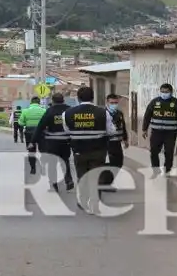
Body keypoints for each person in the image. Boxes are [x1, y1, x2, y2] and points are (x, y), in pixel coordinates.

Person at [62, 86, 116, 214]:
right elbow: (111, 131)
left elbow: (67, 131)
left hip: (79, 151)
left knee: (82, 176)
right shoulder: (103, 112)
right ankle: (94, 204)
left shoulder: (68, 113)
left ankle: (83, 201)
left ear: (78, 98)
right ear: (93, 97)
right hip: (98, 151)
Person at [33, 92, 74, 191]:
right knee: (65, 161)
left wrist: (33, 141)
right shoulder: (70, 110)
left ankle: (54, 184)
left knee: (52, 164)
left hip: (52, 142)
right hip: (66, 141)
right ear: (63, 100)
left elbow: (40, 127)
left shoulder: (49, 111)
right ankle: (68, 180)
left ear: (53, 101)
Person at [141, 83, 177, 176]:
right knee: (153, 151)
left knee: (169, 152)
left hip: (170, 133)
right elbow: (147, 116)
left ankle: (167, 170)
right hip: (156, 132)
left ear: (171, 92)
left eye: (166, 92)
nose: (164, 93)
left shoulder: (176, 103)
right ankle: (156, 170)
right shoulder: (154, 102)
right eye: (162, 91)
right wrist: (144, 129)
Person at [99, 93, 129, 192]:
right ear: (107, 102)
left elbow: (123, 126)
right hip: (107, 143)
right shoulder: (102, 113)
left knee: (118, 163)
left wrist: (125, 139)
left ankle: (106, 183)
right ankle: (104, 184)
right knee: (109, 164)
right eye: (112, 102)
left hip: (117, 142)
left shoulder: (119, 113)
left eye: (116, 102)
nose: (114, 104)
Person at [19, 96, 46, 174]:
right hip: (41, 133)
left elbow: (21, 122)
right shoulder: (44, 111)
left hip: (29, 133)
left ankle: (33, 169)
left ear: (31, 102)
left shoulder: (25, 111)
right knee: (43, 151)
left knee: (31, 151)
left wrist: (27, 123)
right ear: (39, 102)